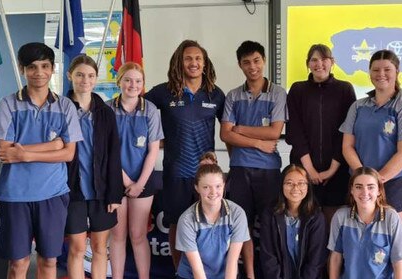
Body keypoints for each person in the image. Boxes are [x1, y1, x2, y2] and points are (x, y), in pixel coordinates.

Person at [0, 42, 82, 279]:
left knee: (49, 261)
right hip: (15, 197)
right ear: (22, 69)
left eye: (44, 66)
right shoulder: (7, 105)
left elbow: (69, 154)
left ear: (52, 69)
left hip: (52, 195)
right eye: (32, 67)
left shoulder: (65, 106)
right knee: (18, 263)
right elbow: (7, 152)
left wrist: (26, 154)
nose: (39, 72)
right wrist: (53, 145)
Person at [145, 39, 226, 268]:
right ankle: (180, 271)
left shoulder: (215, 94)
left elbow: (229, 131)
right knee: (178, 225)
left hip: (206, 175)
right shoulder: (163, 92)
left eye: (198, 58)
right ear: (179, 63)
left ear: (205, 63)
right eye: (188, 58)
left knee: (207, 224)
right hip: (176, 172)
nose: (193, 63)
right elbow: (138, 114)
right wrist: (155, 142)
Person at [220, 40, 287, 278]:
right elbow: (224, 133)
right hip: (239, 169)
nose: (253, 66)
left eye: (257, 60)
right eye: (246, 62)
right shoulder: (233, 95)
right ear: (240, 65)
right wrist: (258, 142)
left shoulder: (278, 93)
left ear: (264, 61)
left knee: (269, 225)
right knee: (242, 226)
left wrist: (239, 129)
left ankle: (270, 273)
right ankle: (249, 274)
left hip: (268, 170)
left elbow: (275, 133)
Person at [340, 49, 402, 223]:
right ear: (370, 73)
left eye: (387, 69)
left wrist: (376, 182)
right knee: (357, 237)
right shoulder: (358, 106)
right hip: (359, 182)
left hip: (392, 184)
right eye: (376, 70)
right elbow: (347, 146)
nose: (381, 74)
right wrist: (363, 179)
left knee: (389, 241)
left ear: (397, 72)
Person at [285, 44, 356, 229]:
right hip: (303, 170)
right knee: (305, 223)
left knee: (333, 226)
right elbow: (295, 131)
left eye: (324, 59)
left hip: (337, 170)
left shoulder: (345, 89)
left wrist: (331, 170)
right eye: (314, 60)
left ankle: (332, 260)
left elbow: (346, 132)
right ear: (308, 64)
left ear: (332, 62)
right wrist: (309, 170)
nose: (319, 64)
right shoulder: (298, 90)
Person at [64, 55, 122, 279]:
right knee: (77, 248)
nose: (84, 80)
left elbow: (114, 154)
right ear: (70, 76)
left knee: (100, 247)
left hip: (101, 191)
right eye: (79, 75)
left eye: (90, 75)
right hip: (72, 190)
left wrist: (114, 194)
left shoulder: (105, 112)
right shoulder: (61, 108)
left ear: (96, 79)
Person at [108, 62, 163, 279]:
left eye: (138, 81)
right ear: (119, 81)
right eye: (128, 80)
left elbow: (153, 151)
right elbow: (108, 151)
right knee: (118, 236)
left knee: (138, 235)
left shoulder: (149, 109)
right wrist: (125, 181)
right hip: (115, 179)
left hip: (143, 179)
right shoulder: (107, 109)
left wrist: (139, 183)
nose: (133, 85)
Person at [328, 167, 402, 279]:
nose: (365, 192)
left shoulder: (391, 217)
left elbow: (399, 262)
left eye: (370, 187)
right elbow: (336, 257)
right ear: (352, 190)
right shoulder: (340, 216)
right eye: (358, 187)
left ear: (379, 191)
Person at [175, 162, 250, 279]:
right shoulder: (186, 220)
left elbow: (233, 260)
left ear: (224, 185)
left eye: (218, 186)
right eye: (206, 187)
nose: (213, 192)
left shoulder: (237, 213)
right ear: (197, 188)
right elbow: (197, 270)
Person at [259, 164, 327, 279]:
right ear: (281, 186)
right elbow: (268, 257)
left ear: (308, 186)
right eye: (289, 183)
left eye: (301, 183)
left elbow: (316, 260)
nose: (295, 188)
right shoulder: (270, 214)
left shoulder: (316, 217)